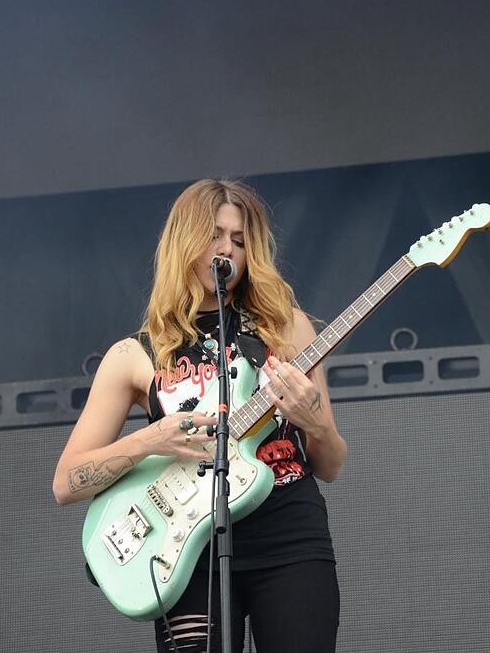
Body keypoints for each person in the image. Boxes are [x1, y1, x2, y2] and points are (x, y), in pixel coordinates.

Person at [52, 179, 348, 652]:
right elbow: (67, 482)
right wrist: (147, 441)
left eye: (238, 240)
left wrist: (315, 422)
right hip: (187, 554)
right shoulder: (135, 353)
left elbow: (330, 464)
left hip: (290, 538)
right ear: (183, 242)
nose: (226, 249)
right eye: (214, 235)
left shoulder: (287, 326)